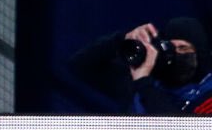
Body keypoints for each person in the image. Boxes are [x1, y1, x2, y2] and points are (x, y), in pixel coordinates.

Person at [69, 16, 212, 114]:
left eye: (182, 48)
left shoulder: (207, 93)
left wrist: (144, 84)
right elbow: (79, 66)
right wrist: (122, 40)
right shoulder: (138, 81)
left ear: (200, 54)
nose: (174, 54)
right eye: (170, 47)